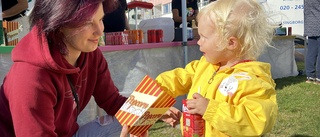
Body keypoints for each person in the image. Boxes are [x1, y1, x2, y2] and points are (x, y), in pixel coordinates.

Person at [0, 0, 147, 136]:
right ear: (59, 23)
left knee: (129, 121)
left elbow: (112, 100)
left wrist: (149, 110)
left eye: (101, 19)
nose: (99, 31)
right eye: (88, 23)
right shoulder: (31, 78)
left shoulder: (91, 55)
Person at [158, 0, 278, 136]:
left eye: (204, 37)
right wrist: (155, 97)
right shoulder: (205, 65)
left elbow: (256, 120)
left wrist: (210, 109)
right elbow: (177, 78)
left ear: (230, 43)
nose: (198, 42)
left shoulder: (251, 80)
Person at [304, 0, 320, 84]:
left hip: (310, 26)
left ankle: (310, 76)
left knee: (311, 53)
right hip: (318, 24)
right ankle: (319, 78)